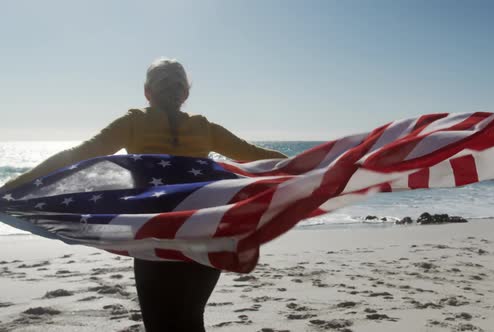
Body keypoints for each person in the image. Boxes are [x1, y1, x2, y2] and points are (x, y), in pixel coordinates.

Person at [1, 57, 287, 332]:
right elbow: (78, 155)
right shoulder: (160, 125)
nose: (171, 86)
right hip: (178, 233)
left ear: (179, 92)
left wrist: (311, 169)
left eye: (175, 82)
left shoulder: (181, 125)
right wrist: (13, 186)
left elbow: (254, 156)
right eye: (165, 80)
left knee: (177, 319)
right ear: (151, 91)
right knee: (174, 320)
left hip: (181, 232)